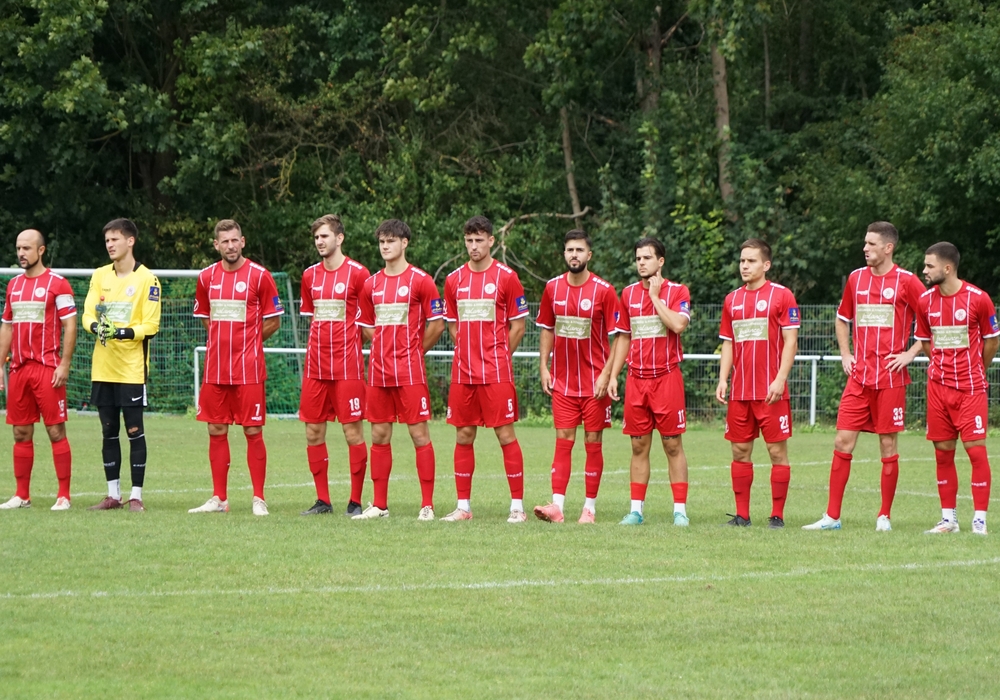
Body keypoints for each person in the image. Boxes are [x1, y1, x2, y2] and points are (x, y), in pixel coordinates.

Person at [803, 221, 924, 531]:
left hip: (891, 379)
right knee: (842, 441)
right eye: (865, 243)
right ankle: (832, 517)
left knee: (888, 446)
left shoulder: (907, 282)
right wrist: (846, 354)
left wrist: (910, 354)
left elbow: (932, 320)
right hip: (859, 378)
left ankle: (884, 516)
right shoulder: (856, 279)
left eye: (871, 244)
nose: (865, 248)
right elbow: (842, 319)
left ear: (888, 247)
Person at [189, 219, 284, 516]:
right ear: (216, 245)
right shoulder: (206, 277)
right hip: (216, 368)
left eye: (235, 240)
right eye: (224, 241)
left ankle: (259, 498)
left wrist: (248, 342)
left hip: (249, 369)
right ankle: (219, 498)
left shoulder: (260, 276)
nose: (230, 246)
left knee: (253, 430)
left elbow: (274, 321)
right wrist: (222, 343)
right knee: (216, 428)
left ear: (242, 242)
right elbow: (207, 319)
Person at [440, 215, 530, 523]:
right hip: (463, 373)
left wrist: (498, 355)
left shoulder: (507, 277)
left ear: (491, 241)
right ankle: (463, 507)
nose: (474, 246)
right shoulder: (454, 280)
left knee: (505, 434)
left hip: (496, 373)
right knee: (464, 434)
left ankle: (517, 507)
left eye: (479, 240)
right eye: (469, 240)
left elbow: (518, 326)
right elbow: (452, 325)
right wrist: (469, 352)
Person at [353, 219, 444, 520]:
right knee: (379, 435)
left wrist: (414, 351)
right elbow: (367, 326)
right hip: (379, 372)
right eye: (382, 242)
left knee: (419, 434)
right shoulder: (371, 284)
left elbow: (437, 324)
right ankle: (379, 505)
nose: (385, 246)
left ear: (404, 243)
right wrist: (383, 346)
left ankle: (427, 505)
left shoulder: (421, 280)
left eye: (391, 241)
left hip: (410, 372)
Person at [532, 230, 621, 524]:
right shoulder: (552, 288)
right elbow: (547, 328)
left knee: (593, 441)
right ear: (564, 254)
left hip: (595, 383)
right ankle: (556, 506)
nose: (574, 255)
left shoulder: (604, 291)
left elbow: (619, 336)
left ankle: (589, 508)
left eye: (579, 250)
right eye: (570, 250)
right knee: (563, 440)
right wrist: (544, 366)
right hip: (563, 382)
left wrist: (607, 375)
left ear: (589, 255)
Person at [606, 237, 691, 526]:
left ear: (660, 261)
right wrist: (614, 375)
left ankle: (680, 511)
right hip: (636, 380)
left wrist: (655, 298)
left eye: (647, 257)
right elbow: (624, 337)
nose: (641, 262)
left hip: (666, 378)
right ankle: (636, 511)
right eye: (638, 258)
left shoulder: (677, 291)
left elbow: (678, 325)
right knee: (638, 446)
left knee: (672, 445)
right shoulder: (628, 294)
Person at [715, 238, 800, 528]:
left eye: (751, 261)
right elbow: (728, 342)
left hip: (771, 392)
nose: (744, 266)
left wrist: (780, 379)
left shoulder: (782, 296)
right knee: (740, 452)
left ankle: (777, 515)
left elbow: (790, 341)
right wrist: (723, 379)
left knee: (777, 452)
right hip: (740, 392)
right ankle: (742, 516)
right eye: (742, 261)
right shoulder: (732, 300)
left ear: (766, 265)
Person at [916, 242, 999, 535]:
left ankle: (979, 520)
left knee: (976, 451)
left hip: (971, 388)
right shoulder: (924, 302)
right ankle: (948, 519)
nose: (924, 271)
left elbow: (992, 341)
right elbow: (926, 341)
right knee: (942, 453)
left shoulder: (978, 299)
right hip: (938, 388)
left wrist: (976, 369)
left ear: (948, 268)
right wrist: (941, 367)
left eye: (930, 266)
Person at [81, 218, 161, 512]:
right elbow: (87, 314)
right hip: (103, 368)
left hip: (131, 370)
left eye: (115, 239)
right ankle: (112, 495)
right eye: (107, 241)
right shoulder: (99, 275)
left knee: (134, 431)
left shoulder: (148, 279)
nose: (110, 245)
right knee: (108, 431)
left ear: (130, 241)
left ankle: (136, 496)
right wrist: (96, 327)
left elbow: (151, 326)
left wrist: (122, 332)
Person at [298, 215, 370, 517]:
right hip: (315, 368)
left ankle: (355, 501)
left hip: (347, 368)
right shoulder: (309, 276)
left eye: (325, 236)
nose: (320, 242)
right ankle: (323, 501)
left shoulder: (359, 274)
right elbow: (312, 318)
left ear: (339, 238)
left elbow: (368, 320)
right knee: (313, 432)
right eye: (317, 237)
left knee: (352, 432)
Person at [0, 229, 77, 511]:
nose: (21, 253)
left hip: (47, 368)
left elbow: (70, 325)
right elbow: (7, 327)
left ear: (41, 250)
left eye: (27, 248)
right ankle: (22, 495)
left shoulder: (58, 284)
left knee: (55, 431)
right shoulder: (13, 285)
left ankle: (64, 496)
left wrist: (64, 363)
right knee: (20, 433)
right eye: (18, 248)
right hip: (18, 369)